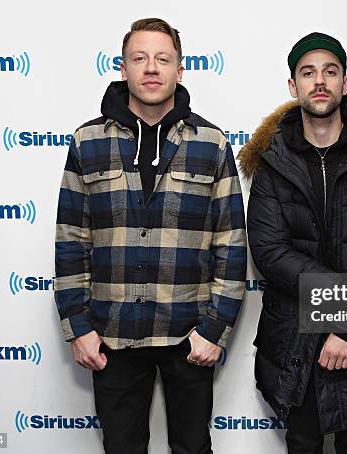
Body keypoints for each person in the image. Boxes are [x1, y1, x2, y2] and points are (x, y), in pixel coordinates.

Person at [54, 18, 247, 454]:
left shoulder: (211, 143)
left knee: (193, 448)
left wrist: (215, 329)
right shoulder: (87, 141)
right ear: (123, 68)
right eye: (139, 58)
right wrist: (77, 327)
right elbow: (70, 239)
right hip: (112, 335)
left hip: (189, 336)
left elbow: (231, 243)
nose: (151, 68)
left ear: (180, 69)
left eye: (163, 59)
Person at [238, 32, 347, 453]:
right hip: (294, 339)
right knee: (302, 443)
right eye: (308, 72)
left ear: (345, 83)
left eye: (330, 71)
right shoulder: (271, 160)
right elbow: (269, 250)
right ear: (292, 86)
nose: (320, 81)